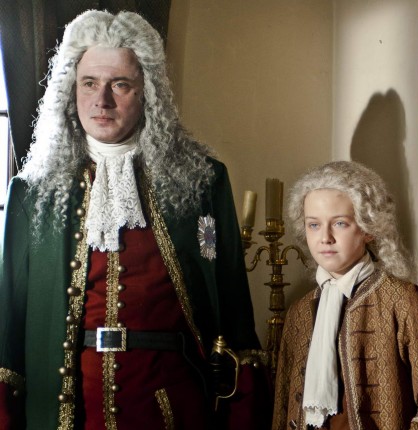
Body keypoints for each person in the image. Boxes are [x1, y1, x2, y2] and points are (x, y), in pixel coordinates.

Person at [0, 10, 269, 429]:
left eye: (120, 84)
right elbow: (8, 333)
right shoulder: (31, 191)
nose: (102, 100)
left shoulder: (202, 181)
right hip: (66, 413)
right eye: (89, 83)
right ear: (71, 90)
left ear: (148, 93)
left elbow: (234, 314)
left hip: (171, 407)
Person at [272, 161, 418, 430]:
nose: (325, 237)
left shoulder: (401, 299)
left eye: (340, 223)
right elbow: (282, 409)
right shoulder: (299, 311)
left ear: (368, 228)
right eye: (314, 225)